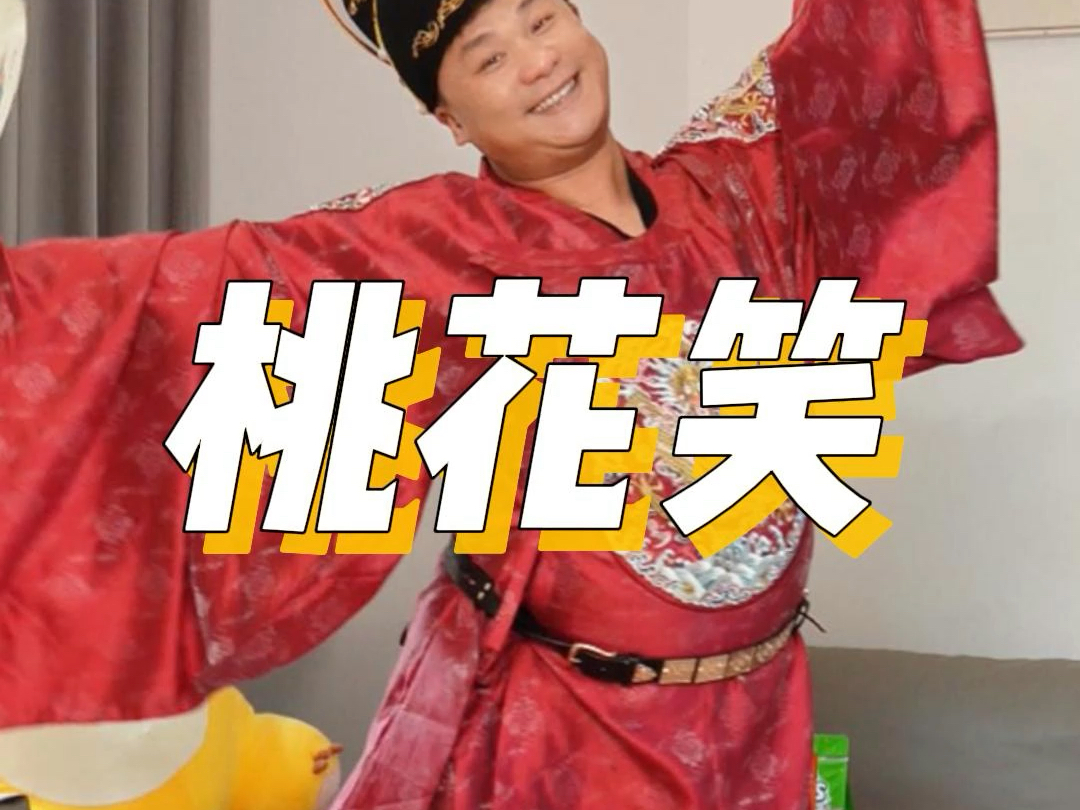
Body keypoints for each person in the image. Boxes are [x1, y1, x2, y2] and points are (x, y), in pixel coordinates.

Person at [0, 0, 1022, 808]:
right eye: (488, 59)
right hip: (554, 726)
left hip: (759, 712)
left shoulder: (737, 190)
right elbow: (165, 299)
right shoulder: (427, 249)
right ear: (449, 118)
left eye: (542, 18)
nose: (537, 62)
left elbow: (871, 67)